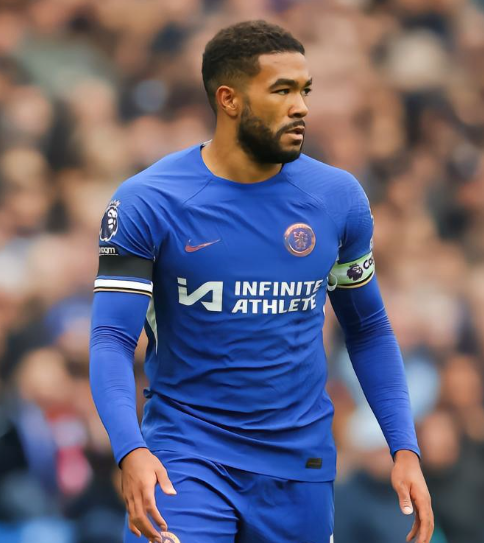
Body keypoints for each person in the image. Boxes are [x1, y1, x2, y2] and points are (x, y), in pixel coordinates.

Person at [90, 20, 434, 543]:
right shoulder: (149, 201)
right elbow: (111, 338)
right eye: (282, 90)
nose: (301, 107)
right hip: (185, 461)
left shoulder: (337, 198)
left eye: (305, 90)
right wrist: (130, 449)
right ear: (228, 99)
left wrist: (404, 447)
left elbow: (368, 330)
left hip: (300, 469)